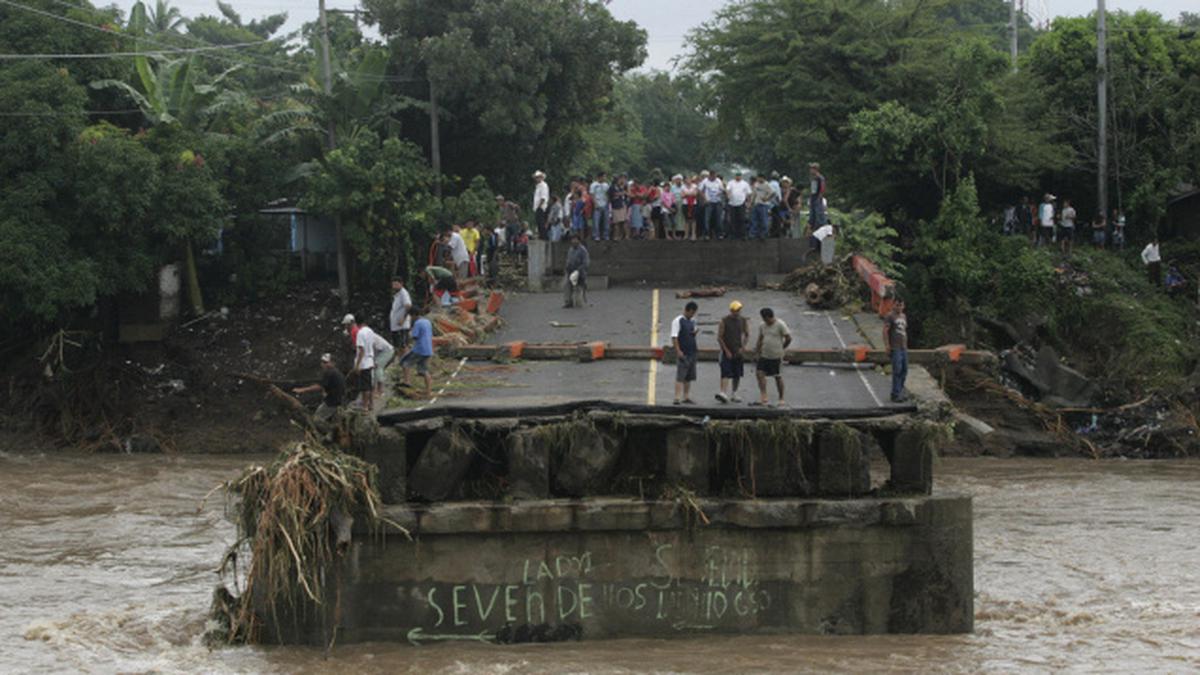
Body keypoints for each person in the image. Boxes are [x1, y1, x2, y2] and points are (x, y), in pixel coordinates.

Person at [753, 307, 791, 407]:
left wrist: (782, 347)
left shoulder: (780, 325)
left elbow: (788, 338)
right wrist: (757, 351)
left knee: (777, 377)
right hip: (764, 354)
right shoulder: (762, 325)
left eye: (767, 319)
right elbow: (760, 338)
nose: (765, 321)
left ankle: (781, 398)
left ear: (770, 317)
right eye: (764, 319)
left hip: (776, 356)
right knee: (759, 374)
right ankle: (764, 395)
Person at [291, 353, 346, 423]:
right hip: (338, 401)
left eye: (326, 362)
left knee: (316, 420)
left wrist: (302, 390)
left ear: (333, 363)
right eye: (322, 362)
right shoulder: (337, 372)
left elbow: (319, 386)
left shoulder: (330, 372)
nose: (323, 364)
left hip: (332, 403)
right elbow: (327, 386)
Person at [353, 317, 393, 410]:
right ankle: (371, 403)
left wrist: (357, 365)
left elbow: (362, 350)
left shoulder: (361, 333)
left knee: (377, 369)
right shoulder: (369, 331)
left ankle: (378, 393)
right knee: (369, 382)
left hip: (385, 351)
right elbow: (371, 348)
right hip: (372, 356)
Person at [715, 300, 750, 403]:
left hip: (738, 350)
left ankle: (734, 393)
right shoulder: (724, 321)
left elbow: (747, 334)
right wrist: (726, 350)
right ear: (731, 310)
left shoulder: (743, 320)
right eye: (735, 310)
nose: (737, 312)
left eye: (738, 310)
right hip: (727, 350)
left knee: (737, 373)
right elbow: (719, 337)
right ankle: (723, 392)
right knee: (725, 372)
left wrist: (743, 347)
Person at [399, 306, 434, 399]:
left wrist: (410, 333)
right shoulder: (427, 321)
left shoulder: (418, 323)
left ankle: (407, 382)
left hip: (419, 349)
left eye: (411, 316)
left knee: (404, 362)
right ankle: (428, 391)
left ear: (414, 315)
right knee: (424, 370)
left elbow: (414, 336)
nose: (411, 318)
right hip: (428, 349)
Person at [671, 301, 700, 405]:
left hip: (692, 351)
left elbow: (693, 332)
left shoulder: (693, 321)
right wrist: (678, 350)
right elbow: (674, 337)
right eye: (692, 312)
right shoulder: (678, 321)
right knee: (680, 375)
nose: (693, 315)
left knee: (689, 376)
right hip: (683, 351)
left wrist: (695, 332)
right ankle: (677, 397)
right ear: (688, 310)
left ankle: (686, 396)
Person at [883, 299, 909, 403]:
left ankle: (900, 391)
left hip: (903, 347)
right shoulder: (890, 316)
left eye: (901, 305)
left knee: (904, 370)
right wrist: (887, 346)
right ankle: (895, 394)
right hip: (895, 347)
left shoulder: (903, 316)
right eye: (897, 305)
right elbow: (885, 331)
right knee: (897, 370)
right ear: (893, 305)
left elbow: (904, 332)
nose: (899, 307)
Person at [563, 234, 589, 308]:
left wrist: (578, 270)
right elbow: (568, 259)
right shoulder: (570, 249)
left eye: (575, 239)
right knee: (566, 286)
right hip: (570, 271)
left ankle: (579, 302)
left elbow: (586, 263)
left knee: (578, 289)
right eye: (572, 239)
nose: (574, 241)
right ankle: (568, 302)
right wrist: (567, 267)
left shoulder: (583, 250)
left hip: (579, 272)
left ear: (579, 240)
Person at [726, 171, 752, 240]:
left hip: (741, 203)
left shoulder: (745, 183)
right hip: (732, 203)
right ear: (735, 176)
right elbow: (728, 190)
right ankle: (733, 235)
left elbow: (749, 193)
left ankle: (742, 235)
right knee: (733, 219)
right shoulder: (731, 182)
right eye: (737, 175)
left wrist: (749, 202)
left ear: (741, 176)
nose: (738, 177)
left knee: (742, 219)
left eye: (739, 175)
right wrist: (728, 195)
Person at [699, 170, 725, 239]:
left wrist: (720, 193)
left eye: (715, 176)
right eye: (713, 176)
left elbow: (722, 189)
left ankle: (719, 234)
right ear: (710, 175)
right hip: (709, 202)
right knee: (707, 218)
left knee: (719, 219)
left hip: (717, 202)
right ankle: (707, 234)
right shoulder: (705, 181)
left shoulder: (718, 180)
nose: (714, 178)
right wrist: (705, 199)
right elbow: (700, 191)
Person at [389, 277, 412, 350]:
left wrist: (403, 319)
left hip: (402, 326)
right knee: (398, 346)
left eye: (396, 284)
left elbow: (408, 306)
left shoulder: (403, 293)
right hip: (396, 326)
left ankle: (405, 360)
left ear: (401, 284)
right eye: (393, 285)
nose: (394, 286)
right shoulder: (397, 294)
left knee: (403, 346)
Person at [750, 174, 774, 240]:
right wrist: (751, 203)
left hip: (764, 205)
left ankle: (763, 234)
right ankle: (753, 234)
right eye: (758, 178)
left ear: (763, 178)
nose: (759, 179)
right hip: (756, 203)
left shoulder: (767, 184)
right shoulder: (756, 184)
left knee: (764, 220)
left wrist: (767, 198)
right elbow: (754, 194)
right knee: (754, 219)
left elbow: (772, 193)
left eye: (760, 178)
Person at [589, 172, 611, 241]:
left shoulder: (606, 185)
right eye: (604, 177)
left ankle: (605, 235)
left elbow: (608, 193)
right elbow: (592, 194)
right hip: (597, 204)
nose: (605, 178)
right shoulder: (594, 185)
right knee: (596, 221)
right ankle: (596, 235)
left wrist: (607, 202)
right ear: (599, 177)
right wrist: (595, 203)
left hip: (605, 204)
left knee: (606, 221)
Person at [609, 175, 630, 241]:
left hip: (622, 205)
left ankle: (625, 236)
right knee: (616, 223)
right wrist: (621, 194)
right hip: (616, 206)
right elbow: (613, 195)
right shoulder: (612, 188)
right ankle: (616, 236)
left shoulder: (621, 187)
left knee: (623, 222)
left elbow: (627, 194)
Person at [808, 163, 827, 229]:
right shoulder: (813, 178)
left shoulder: (820, 178)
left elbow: (822, 188)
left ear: (816, 169)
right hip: (813, 197)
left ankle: (823, 228)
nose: (810, 170)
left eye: (812, 169)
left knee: (819, 214)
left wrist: (819, 197)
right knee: (812, 216)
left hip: (817, 198)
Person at [532, 170, 550, 240]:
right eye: (536, 177)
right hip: (537, 207)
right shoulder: (538, 186)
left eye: (539, 177)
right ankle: (541, 236)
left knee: (541, 224)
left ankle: (544, 237)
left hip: (541, 207)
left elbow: (543, 197)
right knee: (539, 224)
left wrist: (539, 206)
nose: (537, 179)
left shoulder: (543, 185)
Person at [682, 176, 699, 241]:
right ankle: (686, 235)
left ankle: (693, 234)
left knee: (693, 219)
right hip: (685, 204)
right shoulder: (683, 186)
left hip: (693, 204)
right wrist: (690, 194)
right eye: (686, 179)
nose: (688, 180)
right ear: (685, 180)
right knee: (686, 219)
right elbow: (682, 195)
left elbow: (695, 194)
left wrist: (687, 194)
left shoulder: (694, 186)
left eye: (689, 179)